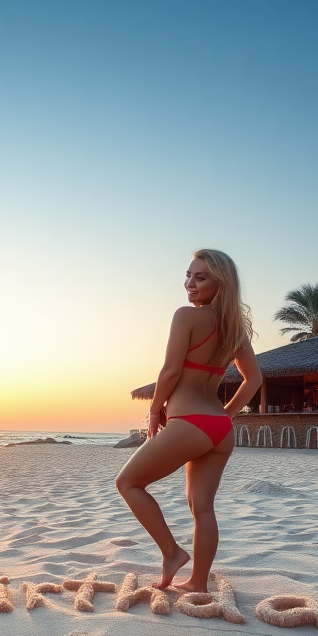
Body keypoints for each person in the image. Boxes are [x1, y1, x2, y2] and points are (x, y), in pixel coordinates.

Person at [115, 250, 262, 593]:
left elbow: (170, 371)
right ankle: (198, 583)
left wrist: (154, 410)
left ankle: (171, 553)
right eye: (189, 275)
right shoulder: (234, 330)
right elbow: (253, 380)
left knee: (129, 483)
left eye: (201, 277)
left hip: (190, 422)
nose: (190, 284)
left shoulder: (186, 316)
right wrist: (225, 416)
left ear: (220, 283)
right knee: (203, 509)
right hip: (219, 430)